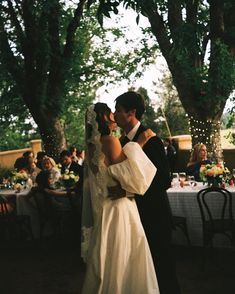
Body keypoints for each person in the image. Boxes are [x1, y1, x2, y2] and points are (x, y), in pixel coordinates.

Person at [81, 103, 159, 294]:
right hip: (119, 207)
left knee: (108, 256)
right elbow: (127, 173)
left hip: (105, 207)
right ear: (105, 118)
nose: (115, 116)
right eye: (111, 113)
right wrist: (139, 143)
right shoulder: (110, 141)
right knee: (126, 256)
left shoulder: (91, 146)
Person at [114, 91, 181, 294]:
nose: (114, 115)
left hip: (154, 215)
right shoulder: (122, 143)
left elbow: (162, 180)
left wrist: (128, 191)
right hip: (132, 218)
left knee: (163, 269)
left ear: (131, 112)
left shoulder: (152, 141)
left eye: (118, 110)